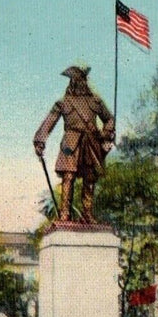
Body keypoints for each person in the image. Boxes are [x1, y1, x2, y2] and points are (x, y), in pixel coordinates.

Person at [33, 66, 115, 223]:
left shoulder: (95, 101)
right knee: (68, 177)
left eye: (81, 80)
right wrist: (40, 140)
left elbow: (109, 119)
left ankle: (87, 214)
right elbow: (49, 122)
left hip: (91, 143)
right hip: (70, 144)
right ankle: (65, 214)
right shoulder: (63, 103)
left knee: (90, 179)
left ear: (85, 82)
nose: (79, 83)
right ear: (71, 83)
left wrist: (106, 133)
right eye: (76, 80)